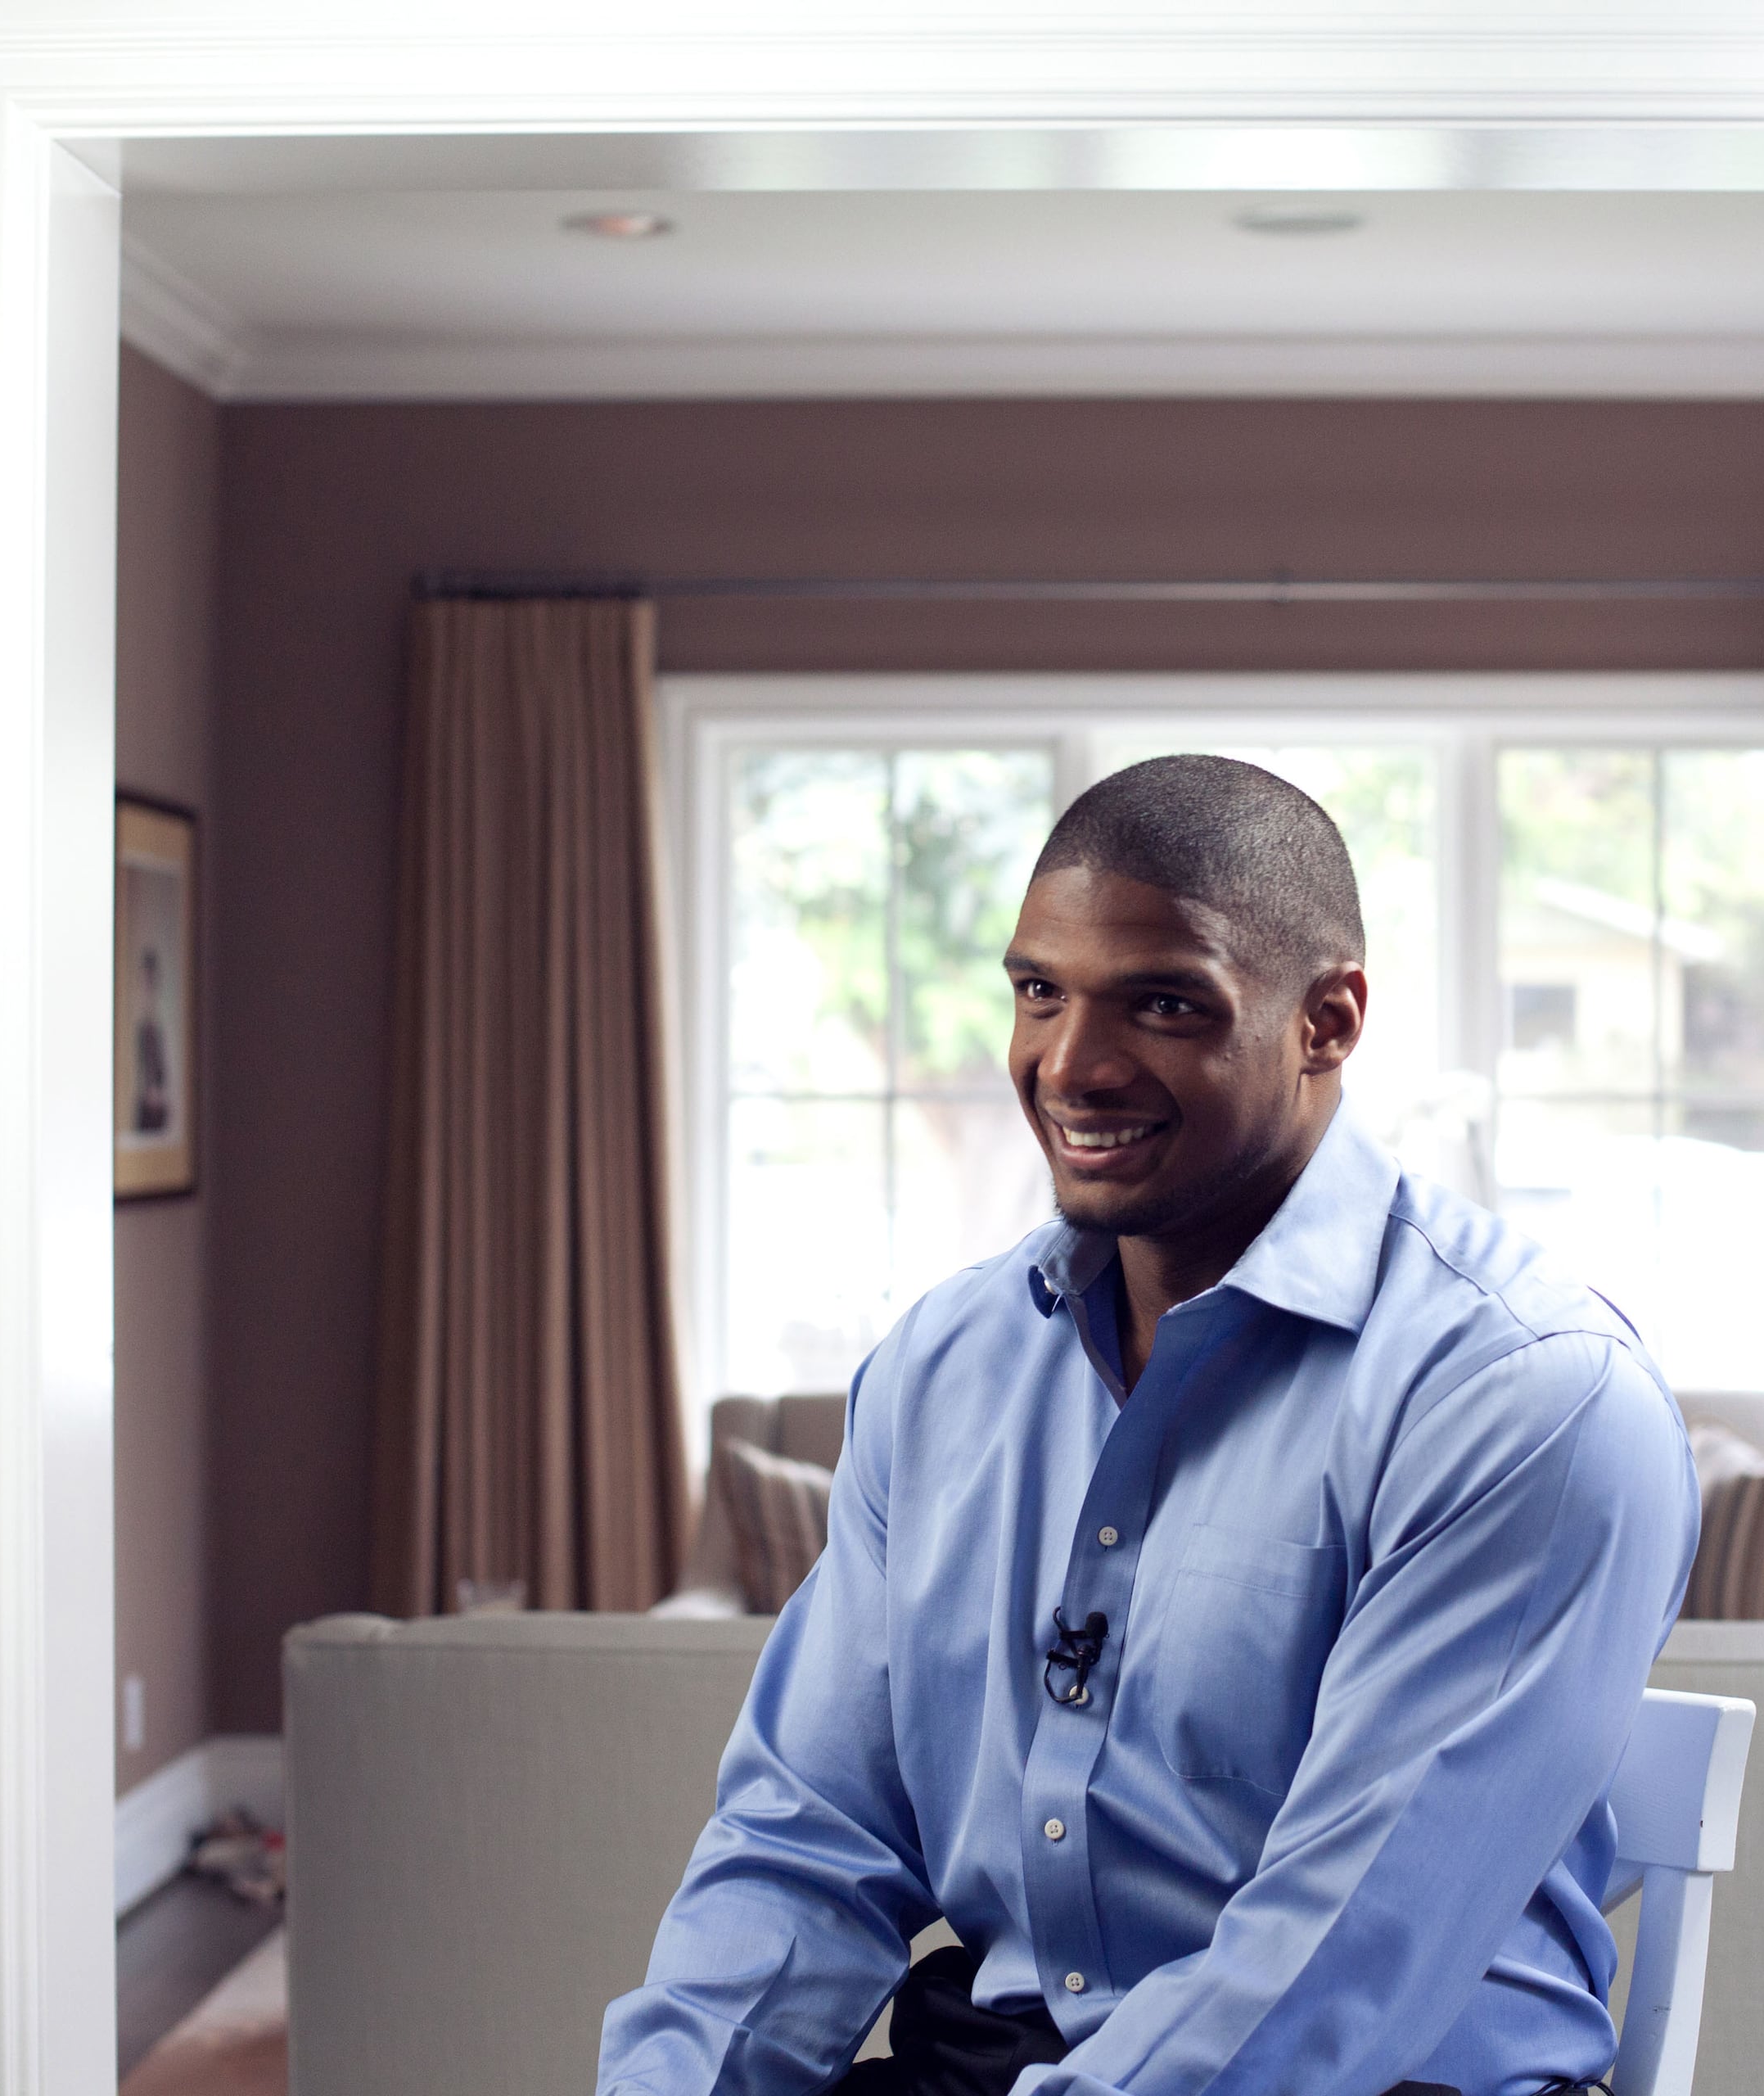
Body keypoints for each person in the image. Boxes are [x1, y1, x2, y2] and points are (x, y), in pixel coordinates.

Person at [598, 755, 1699, 2096]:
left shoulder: (1531, 1400)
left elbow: (1335, 1967)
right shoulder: (944, 1367)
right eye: (1038, 993)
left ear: (1328, 1021)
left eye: (1164, 1004)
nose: (1071, 1064)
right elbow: (803, 1841)